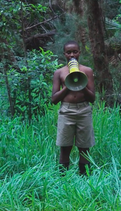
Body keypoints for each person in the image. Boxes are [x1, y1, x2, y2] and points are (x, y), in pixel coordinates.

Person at [51, 40, 95, 175]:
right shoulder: (59, 72)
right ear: (64, 54)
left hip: (84, 110)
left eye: (75, 51)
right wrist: (68, 85)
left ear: (79, 52)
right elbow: (54, 99)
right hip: (66, 111)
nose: (72, 55)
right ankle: (62, 178)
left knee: (84, 147)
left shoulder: (87, 71)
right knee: (65, 146)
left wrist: (81, 84)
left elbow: (92, 98)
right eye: (68, 52)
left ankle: (85, 178)